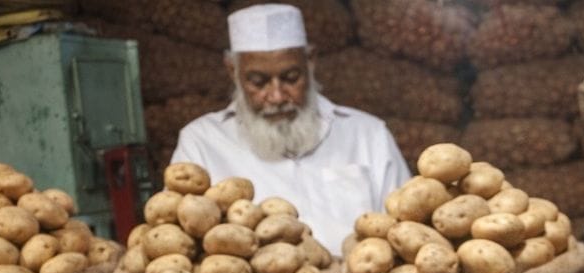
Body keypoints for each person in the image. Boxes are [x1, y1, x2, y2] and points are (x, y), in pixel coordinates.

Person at [171, 3, 410, 254]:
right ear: (233, 71)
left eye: (290, 77)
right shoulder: (201, 142)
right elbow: (180, 246)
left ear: (310, 62)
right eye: (258, 82)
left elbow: (406, 230)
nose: (276, 96)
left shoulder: (369, 135)